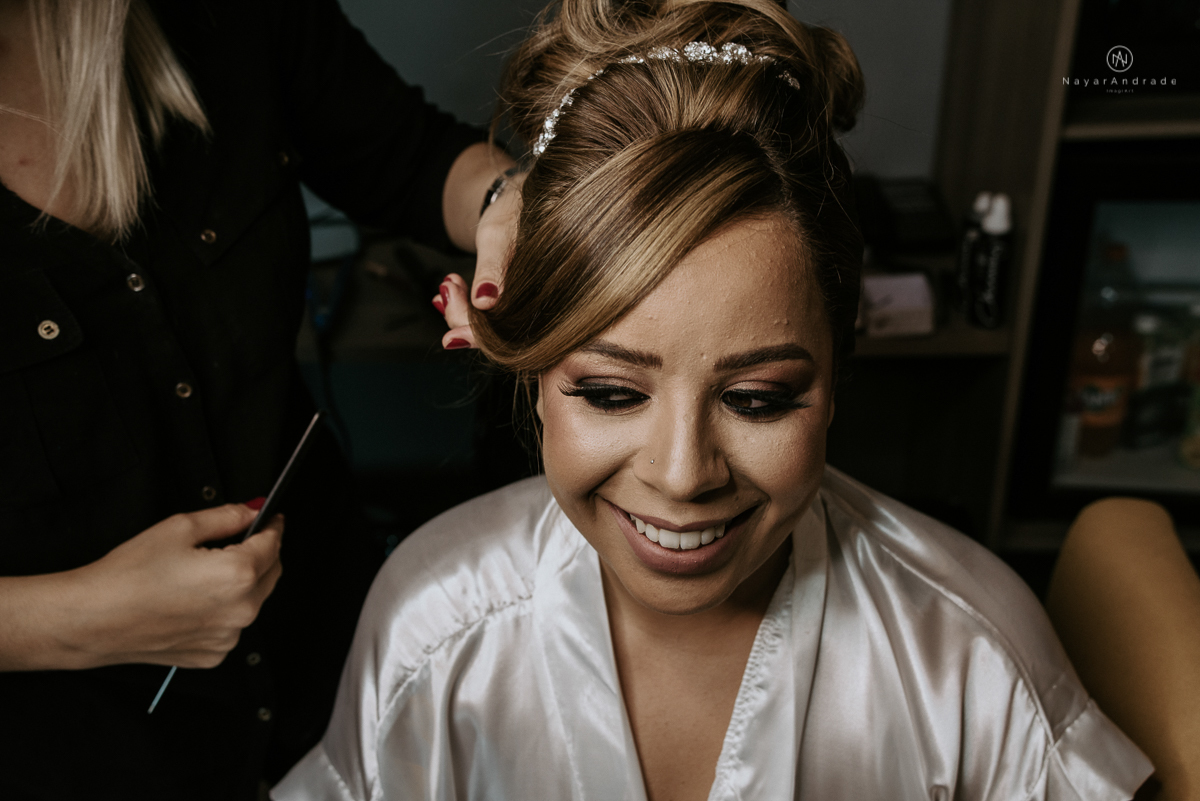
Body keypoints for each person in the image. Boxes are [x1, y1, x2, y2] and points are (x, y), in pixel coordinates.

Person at [274, 0, 1155, 798]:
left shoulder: (974, 665)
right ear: (536, 376)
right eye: (614, 392)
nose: (683, 473)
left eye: (760, 398)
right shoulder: (431, 634)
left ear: (837, 375)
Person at [0, 0, 517, 798]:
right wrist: (68, 619)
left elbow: (415, 158)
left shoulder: (228, 20)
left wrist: (507, 202)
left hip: (335, 680)